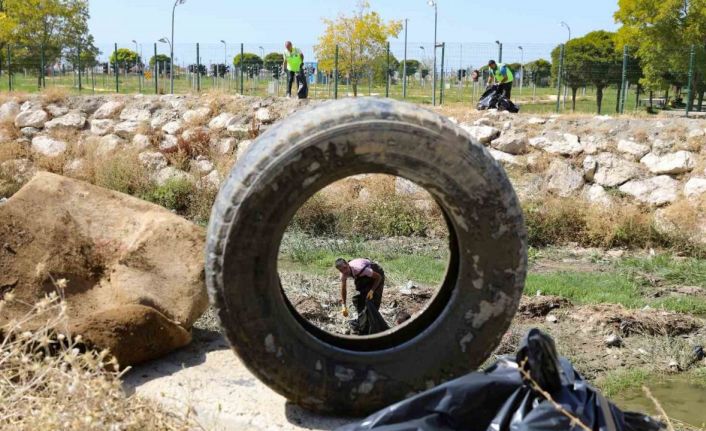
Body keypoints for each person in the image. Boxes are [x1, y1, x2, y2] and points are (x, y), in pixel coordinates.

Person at [335, 258, 385, 334]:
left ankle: (373, 325)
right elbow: (343, 289)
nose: (344, 271)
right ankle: (363, 324)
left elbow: (378, 277)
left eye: (345, 268)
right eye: (341, 270)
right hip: (362, 275)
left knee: (374, 300)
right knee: (361, 298)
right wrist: (343, 305)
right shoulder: (343, 274)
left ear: (348, 264)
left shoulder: (360, 269)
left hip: (375, 272)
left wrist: (372, 290)